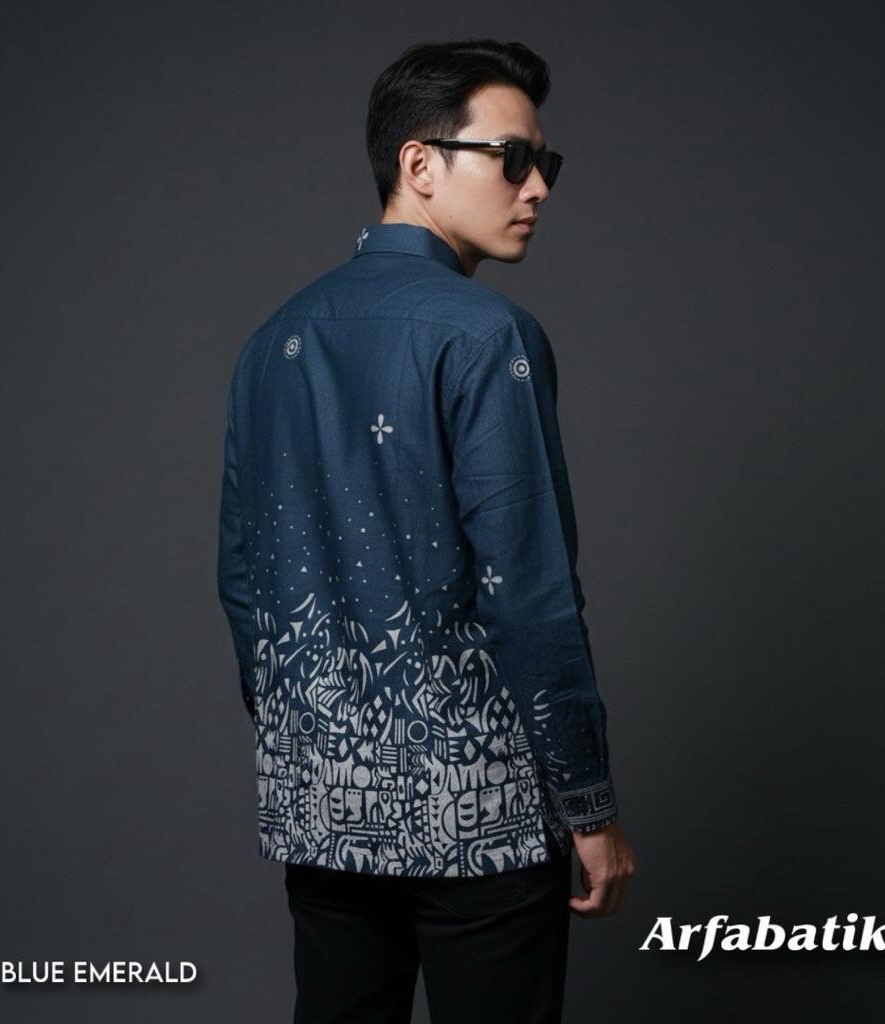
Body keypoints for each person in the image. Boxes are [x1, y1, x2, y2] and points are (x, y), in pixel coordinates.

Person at [218, 38, 634, 1024]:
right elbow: (530, 596)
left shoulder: (271, 341)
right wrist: (588, 806)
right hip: (482, 819)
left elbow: (243, 578)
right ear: (419, 163)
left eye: (545, 163)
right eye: (512, 158)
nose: (537, 186)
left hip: (325, 807)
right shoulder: (488, 335)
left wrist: (315, 745)